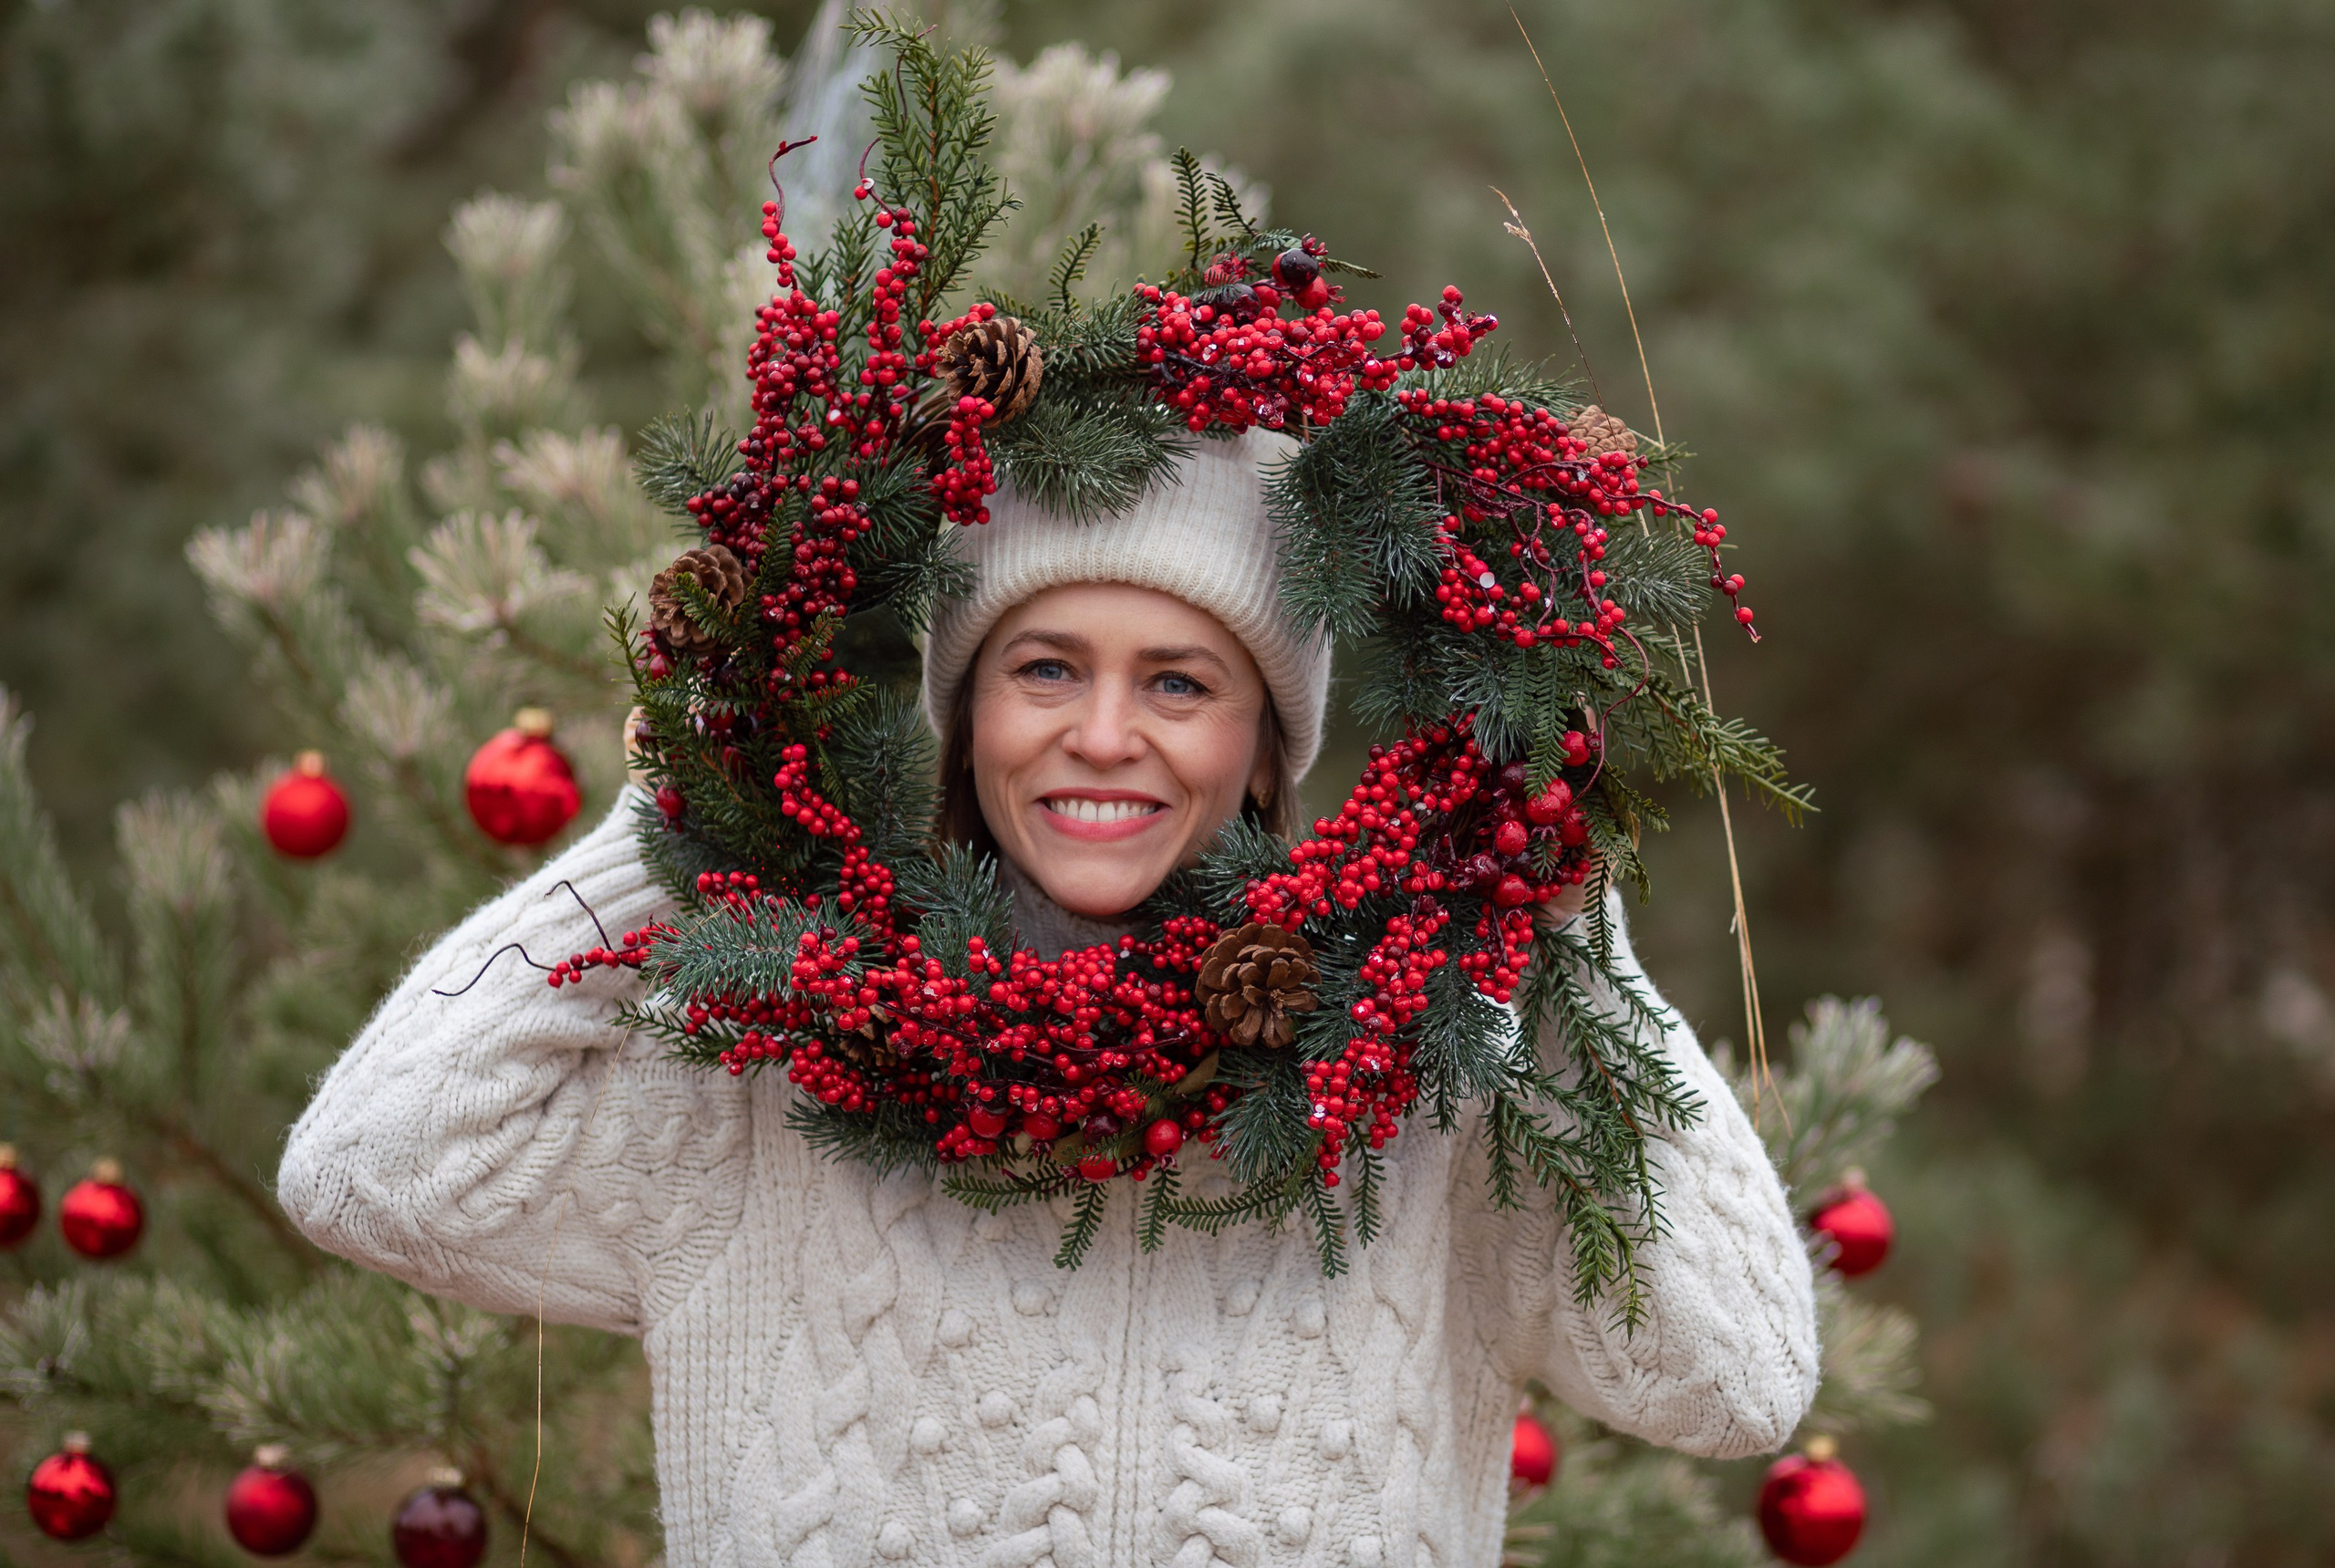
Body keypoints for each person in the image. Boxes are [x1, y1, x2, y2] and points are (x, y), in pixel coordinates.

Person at [280, 430, 1818, 1568]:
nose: (1102, 734)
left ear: (1267, 746)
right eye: (1041, 669)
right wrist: (675, 823)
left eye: (1178, 682)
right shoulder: (782, 1065)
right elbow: (369, 1170)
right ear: (962, 718)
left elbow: (1736, 1381)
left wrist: (1560, 929)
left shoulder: (1419, 1085)